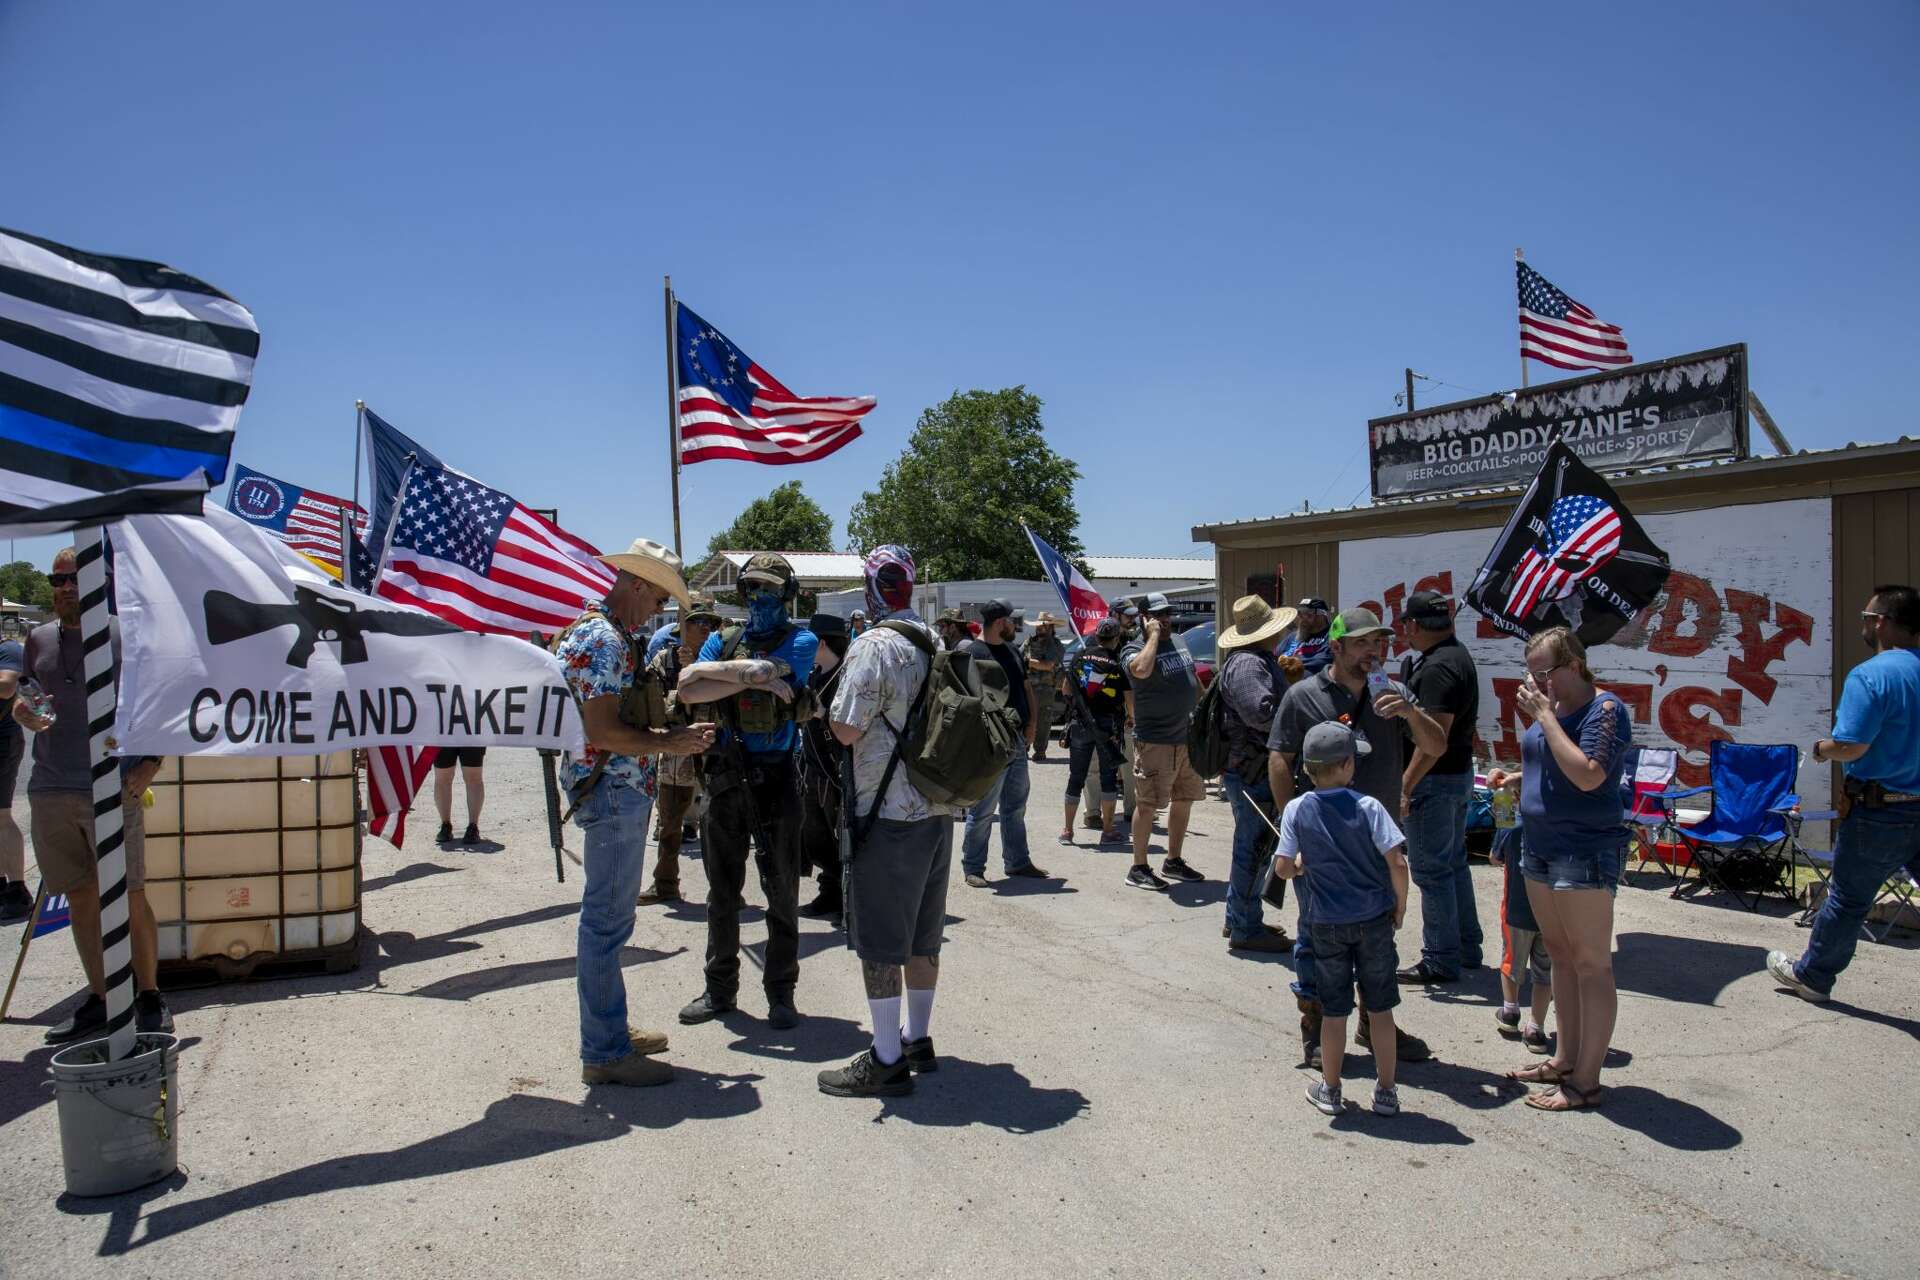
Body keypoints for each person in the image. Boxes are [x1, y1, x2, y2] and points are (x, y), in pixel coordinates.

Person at [556, 537, 715, 1087]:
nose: (661, 610)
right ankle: (603, 1051)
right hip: (613, 792)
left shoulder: (603, 633)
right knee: (605, 924)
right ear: (639, 585)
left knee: (609, 922)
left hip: (610, 790)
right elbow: (601, 731)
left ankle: (610, 1033)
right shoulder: (605, 640)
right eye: (658, 599)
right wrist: (670, 741)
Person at [1268, 606, 1444, 1069]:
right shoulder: (1303, 695)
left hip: (1377, 842)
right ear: (1338, 646)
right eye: (1364, 642)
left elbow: (1436, 746)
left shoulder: (1394, 692)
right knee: (1314, 940)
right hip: (1321, 847)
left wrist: (1409, 712)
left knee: (1378, 939)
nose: (1374, 651)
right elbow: (1280, 758)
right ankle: (1316, 1025)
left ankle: (1374, 1021)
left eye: (1380, 642)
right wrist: (1294, 827)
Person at [13, 549, 171, 1039]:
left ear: (100, 583)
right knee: (81, 899)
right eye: (57, 579)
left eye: (74, 578)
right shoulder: (37, 638)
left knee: (130, 896)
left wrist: (151, 762)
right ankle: (102, 997)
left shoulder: (127, 636)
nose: (64, 587)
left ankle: (148, 997)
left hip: (110, 786)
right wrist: (21, 711)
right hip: (51, 787)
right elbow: (26, 693)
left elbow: (160, 701)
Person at [819, 545, 955, 1098]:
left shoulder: (874, 645)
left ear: (873, 587)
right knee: (924, 935)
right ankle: (917, 1039)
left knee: (880, 941)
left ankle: (885, 1058)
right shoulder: (934, 639)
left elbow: (846, 729)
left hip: (887, 812)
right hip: (937, 805)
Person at [680, 554, 816, 1031]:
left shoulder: (802, 640)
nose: (759, 598)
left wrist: (718, 674)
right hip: (725, 773)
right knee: (722, 892)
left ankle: (781, 993)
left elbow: (774, 671)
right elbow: (686, 689)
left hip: (776, 774)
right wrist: (747, 673)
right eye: (752, 589)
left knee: (781, 891)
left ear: (788, 595)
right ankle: (719, 990)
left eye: (770, 590)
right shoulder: (721, 637)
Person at [1768, 584, 1920, 1004]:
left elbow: (1852, 745)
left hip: (1879, 811)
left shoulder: (1872, 675)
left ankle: (1813, 977)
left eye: (1867, 617)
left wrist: (1820, 751)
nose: (1864, 624)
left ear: (1883, 622)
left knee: (1849, 900)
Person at [1504, 626, 1631, 1113]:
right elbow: (1552, 761)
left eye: (1544, 672)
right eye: (1531, 672)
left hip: (1583, 849)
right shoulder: (1552, 709)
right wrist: (1517, 777)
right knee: (1558, 953)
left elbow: (1588, 773)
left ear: (1574, 666)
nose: (1536, 682)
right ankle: (1565, 1059)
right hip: (1538, 844)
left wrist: (1543, 716)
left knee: (1591, 962)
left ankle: (1587, 1081)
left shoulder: (1605, 709)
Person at [1273, 722, 1410, 1118]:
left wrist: (1300, 866)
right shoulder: (1369, 808)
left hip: (1326, 924)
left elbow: (1283, 867)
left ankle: (1331, 1090)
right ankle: (1386, 1092)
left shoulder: (1298, 809)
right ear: (1348, 764)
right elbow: (1397, 862)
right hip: (1374, 920)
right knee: (1380, 1009)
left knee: (1334, 1011)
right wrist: (1399, 906)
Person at [1394, 590, 1485, 984]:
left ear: (1413, 625)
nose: (1404, 634)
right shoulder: (1453, 656)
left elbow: (1434, 741)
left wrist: (1406, 785)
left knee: (1432, 872)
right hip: (1456, 776)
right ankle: (1466, 946)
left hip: (1434, 780)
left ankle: (1440, 958)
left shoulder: (1438, 668)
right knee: (1452, 865)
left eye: (1405, 626)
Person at [1215, 595, 1297, 953]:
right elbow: (1260, 715)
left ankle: (1240, 917)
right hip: (1254, 768)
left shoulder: (1251, 661)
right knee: (1254, 848)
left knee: (1252, 847)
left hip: (1249, 767)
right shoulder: (1249, 664)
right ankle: (1245, 927)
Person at [638, 595, 724, 906]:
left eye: (710, 624)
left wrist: (701, 673)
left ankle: (727, 892)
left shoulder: (723, 660)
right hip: (677, 751)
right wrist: (683, 685)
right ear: (682, 626)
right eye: (698, 622)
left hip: (716, 751)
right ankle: (665, 884)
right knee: (670, 823)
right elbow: (652, 705)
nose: (705, 629)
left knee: (721, 828)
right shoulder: (665, 660)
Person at [960, 599, 1047, 887]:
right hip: (990, 744)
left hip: (1018, 741)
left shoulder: (1012, 650)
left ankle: (1018, 862)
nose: (1015, 626)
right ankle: (973, 867)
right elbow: (964, 701)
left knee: (1015, 806)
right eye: (1012, 621)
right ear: (1000, 623)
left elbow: (1025, 688)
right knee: (983, 809)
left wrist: (1032, 724)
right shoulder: (973, 653)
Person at [1122, 592, 1206, 889]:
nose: (1166, 619)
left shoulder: (1180, 641)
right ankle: (1139, 867)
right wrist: (1153, 636)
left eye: (1168, 613)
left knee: (1184, 800)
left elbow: (1192, 678)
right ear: (1144, 618)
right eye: (1158, 615)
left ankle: (1173, 860)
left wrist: (1204, 710)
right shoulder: (1133, 649)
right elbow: (1141, 670)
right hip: (1155, 741)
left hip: (1186, 739)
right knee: (1148, 805)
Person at [797, 612, 852, 920]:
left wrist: (821, 712)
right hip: (812, 766)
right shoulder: (815, 673)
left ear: (820, 641)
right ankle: (831, 890)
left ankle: (841, 894)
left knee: (839, 836)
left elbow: (851, 721)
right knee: (811, 833)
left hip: (835, 768)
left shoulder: (845, 676)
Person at [1486, 812, 1553, 1054]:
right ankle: (1536, 1028)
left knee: (1511, 963)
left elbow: (1494, 857)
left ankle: (1510, 1010)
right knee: (1544, 972)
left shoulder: (1511, 826)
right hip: (1551, 916)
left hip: (1516, 912)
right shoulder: (1560, 825)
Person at [1061, 618, 1129, 845]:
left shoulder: (1080, 656)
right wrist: (1131, 720)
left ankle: (1067, 831)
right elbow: (1129, 700)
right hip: (1107, 726)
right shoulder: (1116, 663)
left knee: (1076, 777)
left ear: (1097, 636)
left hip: (1080, 724)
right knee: (1108, 779)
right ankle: (1108, 830)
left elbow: (1066, 689)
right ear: (1116, 639)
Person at [0, 632, 28, 924]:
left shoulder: (7, 649)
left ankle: (17, 889)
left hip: (3, 742)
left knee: (2, 816)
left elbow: (7, 687)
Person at [1023, 613, 1066, 761]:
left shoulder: (1055, 644)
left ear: (1051, 628)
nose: (1040, 629)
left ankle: (1040, 751)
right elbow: (1019, 657)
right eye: (1039, 626)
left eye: (1044, 626)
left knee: (1043, 721)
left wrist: (1029, 662)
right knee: (1026, 719)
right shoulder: (1028, 642)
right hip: (1028, 687)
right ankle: (1024, 748)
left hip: (1046, 689)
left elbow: (1048, 665)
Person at [431, 747, 487, 846]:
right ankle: (445, 825)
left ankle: (473, 826)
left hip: (472, 735)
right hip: (441, 735)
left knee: (473, 777)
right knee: (442, 777)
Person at [1280, 598, 1334, 676]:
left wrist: (1291, 665)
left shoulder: (1331, 636)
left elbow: (1322, 662)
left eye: (1308, 614)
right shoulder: (1293, 637)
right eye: (1300, 613)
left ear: (1321, 615)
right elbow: (1274, 657)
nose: (1302, 618)